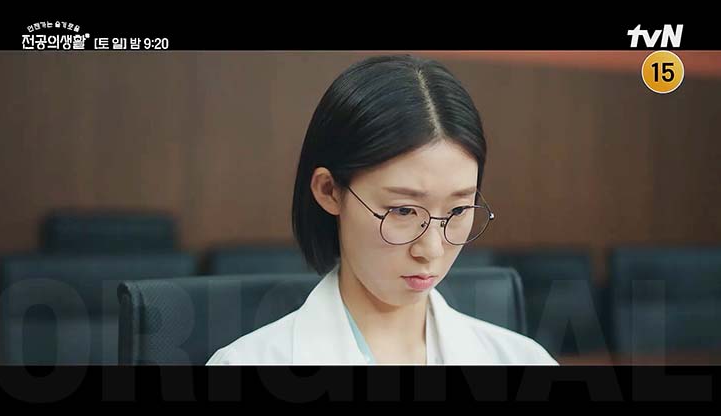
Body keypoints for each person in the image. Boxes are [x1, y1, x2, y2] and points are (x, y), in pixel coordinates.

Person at [207, 54, 558, 365]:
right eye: (404, 211)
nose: (431, 249)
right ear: (329, 191)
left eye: (457, 211)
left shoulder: (522, 360)